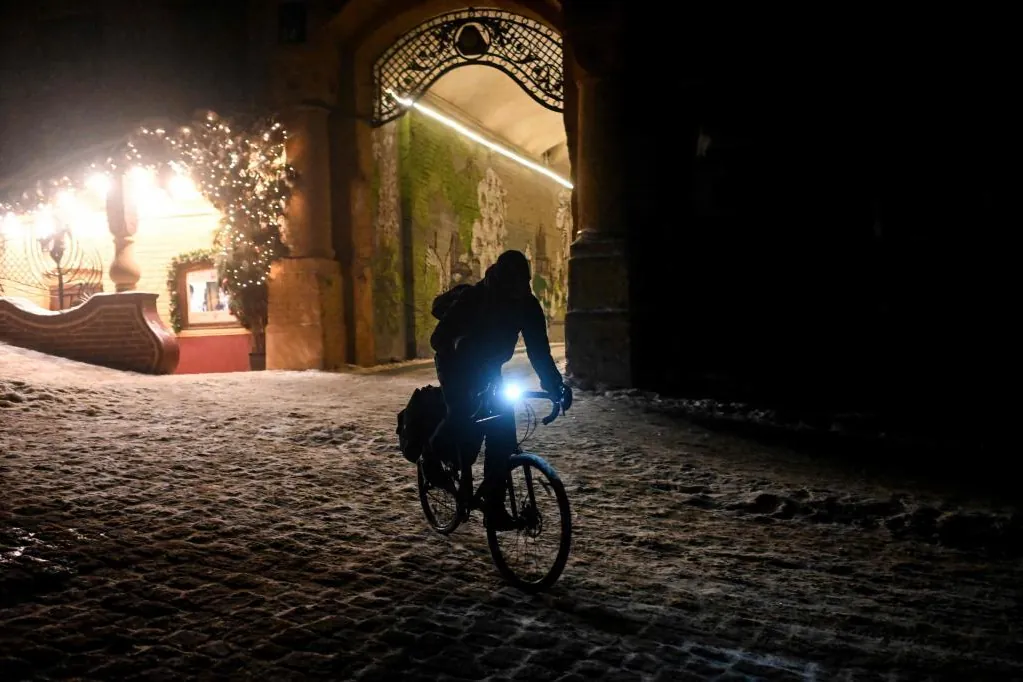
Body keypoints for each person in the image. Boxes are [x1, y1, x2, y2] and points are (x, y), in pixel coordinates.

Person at [428, 249, 572, 530]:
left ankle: (494, 507)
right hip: (456, 364)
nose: (519, 290)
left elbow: (539, 353)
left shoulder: (527, 305)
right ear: (503, 280)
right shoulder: (475, 298)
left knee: (503, 434)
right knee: (461, 412)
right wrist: (459, 343)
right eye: (514, 284)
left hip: (489, 368)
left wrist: (555, 386)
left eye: (523, 284)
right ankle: (431, 459)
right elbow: (438, 338)